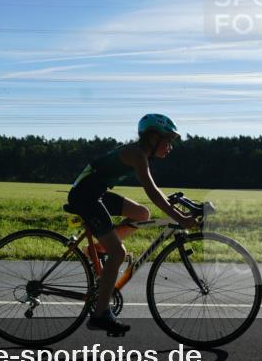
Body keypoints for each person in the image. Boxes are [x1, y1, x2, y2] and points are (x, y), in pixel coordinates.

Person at [67, 114, 197, 336]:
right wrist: (179, 217)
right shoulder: (136, 154)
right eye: (168, 140)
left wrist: (180, 209)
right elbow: (153, 192)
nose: (170, 146)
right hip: (85, 196)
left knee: (141, 213)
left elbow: (154, 197)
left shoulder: (139, 153)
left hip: (95, 192)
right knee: (118, 254)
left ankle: (97, 249)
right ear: (153, 137)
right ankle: (100, 315)